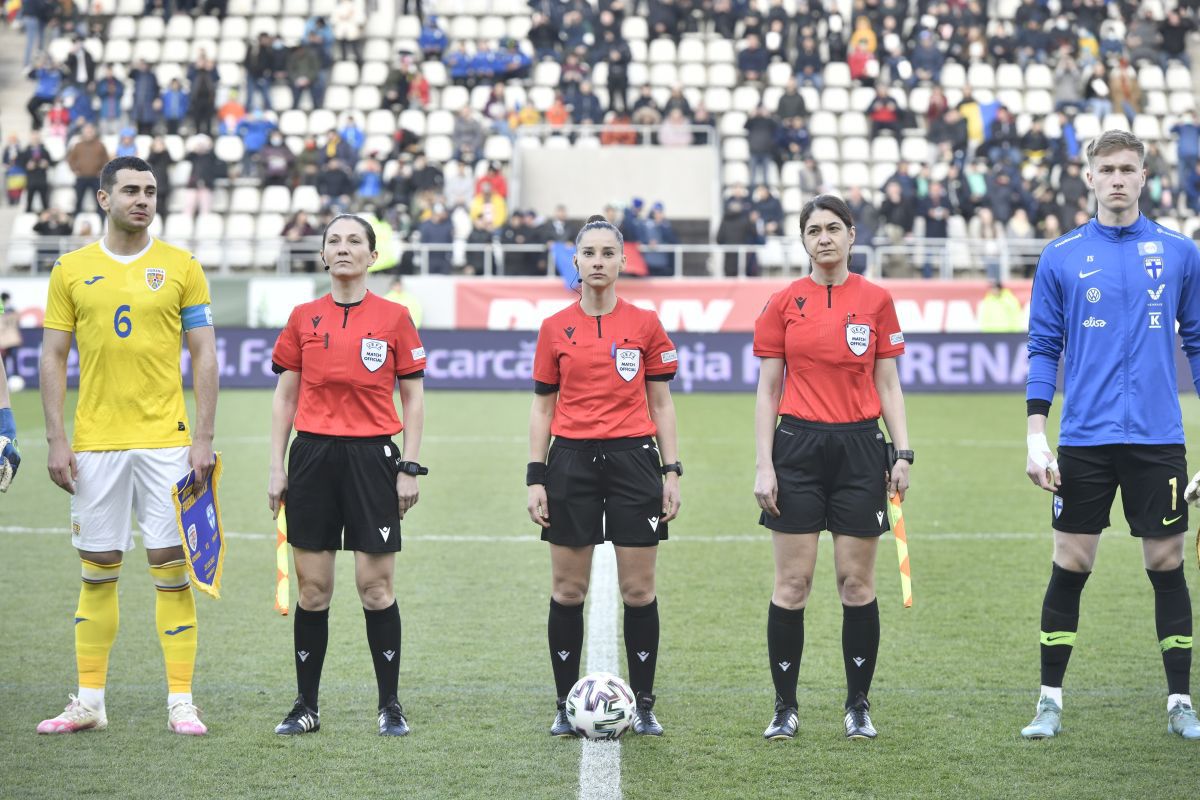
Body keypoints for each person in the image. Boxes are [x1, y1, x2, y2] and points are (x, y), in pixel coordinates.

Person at [1021, 130, 1200, 741]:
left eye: (1128, 168)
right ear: (1089, 177)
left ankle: (1180, 702)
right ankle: (1049, 700)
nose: (1118, 178)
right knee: (1071, 561)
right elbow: (1044, 347)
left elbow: (1198, 345)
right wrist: (1034, 435)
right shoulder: (1061, 254)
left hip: (1157, 438)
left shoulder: (1180, 252)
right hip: (1085, 440)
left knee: (1166, 561)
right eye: (1107, 169)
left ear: (1145, 176)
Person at [37, 156, 219, 736]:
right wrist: (56, 437)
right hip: (94, 445)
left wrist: (204, 438)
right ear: (102, 198)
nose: (143, 199)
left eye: (151, 191)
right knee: (98, 572)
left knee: (171, 570)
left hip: (167, 443)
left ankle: (181, 702)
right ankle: (89, 701)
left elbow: (205, 355)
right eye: (131, 190)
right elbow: (53, 357)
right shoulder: (70, 269)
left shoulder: (182, 266)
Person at [753, 194, 911, 742]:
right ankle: (784, 707)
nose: (824, 238)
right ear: (803, 241)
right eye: (814, 230)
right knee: (792, 583)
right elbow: (768, 389)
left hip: (860, 449)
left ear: (851, 236)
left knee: (856, 583)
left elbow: (887, 382)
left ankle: (858, 705)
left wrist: (903, 451)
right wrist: (764, 464)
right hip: (796, 449)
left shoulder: (877, 299)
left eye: (833, 228)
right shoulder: (782, 303)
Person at [268, 214, 427, 737]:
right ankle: (305, 706)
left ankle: (390, 705)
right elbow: (286, 395)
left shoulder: (395, 317)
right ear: (322, 254)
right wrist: (277, 463)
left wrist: (409, 464)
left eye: (353, 241)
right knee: (313, 590)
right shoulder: (302, 317)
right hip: (311, 458)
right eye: (333, 241)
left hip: (373, 460)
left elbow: (413, 396)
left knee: (375, 587)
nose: (343, 248)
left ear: (371, 254)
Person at [528, 215, 682, 738]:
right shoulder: (554, 327)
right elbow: (542, 410)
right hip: (570, 462)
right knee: (568, 590)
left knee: (638, 590)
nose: (597, 261)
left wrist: (671, 471)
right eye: (588, 253)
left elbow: (661, 404)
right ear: (575, 260)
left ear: (622, 261)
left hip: (634, 462)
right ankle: (563, 703)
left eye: (607, 253)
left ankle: (643, 703)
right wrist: (536, 476)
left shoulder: (645, 324)